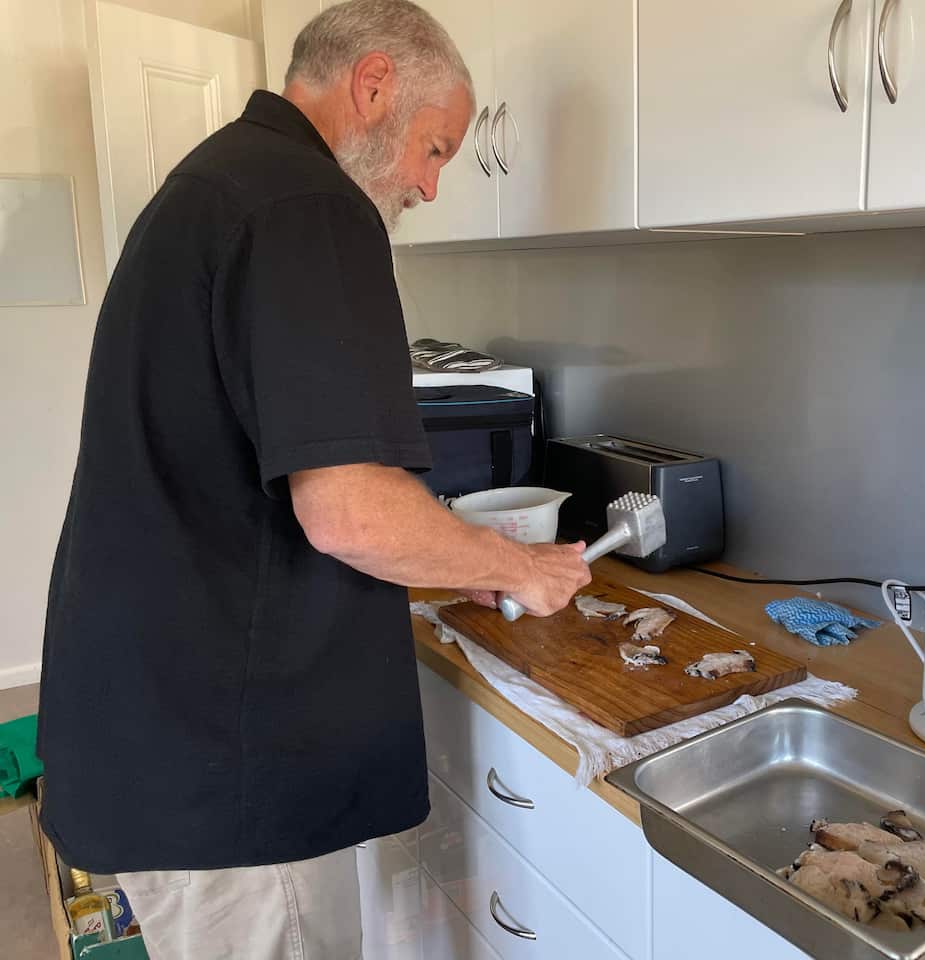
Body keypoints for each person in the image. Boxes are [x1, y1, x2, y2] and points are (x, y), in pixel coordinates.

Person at [36, 2, 591, 957]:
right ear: (374, 85)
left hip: (157, 724)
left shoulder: (215, 185)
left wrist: (455, 555)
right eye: (435, 149)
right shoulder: (309, 204)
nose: (427, 185)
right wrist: (512, 564)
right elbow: (347, 509)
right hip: (229, 765)